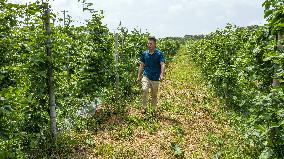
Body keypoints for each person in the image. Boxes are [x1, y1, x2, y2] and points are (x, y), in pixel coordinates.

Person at [137, 36, 165, 115]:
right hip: (146, 76)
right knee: (144, 90)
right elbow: (141, 65)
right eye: (148, 43)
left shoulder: (159, 54)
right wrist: (139, 76)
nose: (149, 45)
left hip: (155, 77)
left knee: (154, 95)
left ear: (155, 44)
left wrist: (161, 75)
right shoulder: (144, 54)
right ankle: (144, 107)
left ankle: (153, 109)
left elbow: (162, 64)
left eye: (151, 43)